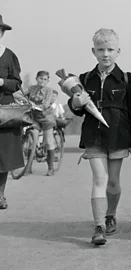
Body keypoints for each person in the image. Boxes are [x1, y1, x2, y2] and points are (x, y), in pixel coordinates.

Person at [68, 28, 131, 246]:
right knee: (99, 179)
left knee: (113, 181)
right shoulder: (84, 79)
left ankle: (111, 213)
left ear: (118, 51)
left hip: (119, 135)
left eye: (110, 49)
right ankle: (99, 225)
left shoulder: (127, 79)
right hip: (94, 136)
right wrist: (75, 103)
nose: (106, 54)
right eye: (101, 50)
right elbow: (77, 108)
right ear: (94, 51)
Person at [0, 14, 23, 209]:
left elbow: (17, 83)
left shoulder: (9, 56)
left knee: (3, 154)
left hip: (4, 112)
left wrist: (2, 82)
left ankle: (0, 195)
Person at [26, 71, 57, 176]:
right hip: (34, 117)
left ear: (48, 81)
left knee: (49, 141)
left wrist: (35, 105)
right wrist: (25, 101)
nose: (42, 81)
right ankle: (28, 167)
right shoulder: (31, 88)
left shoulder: (49, 90)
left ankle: (51, 167)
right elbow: (20, 94)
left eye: (45, 79)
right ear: (36, 78)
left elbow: (47, 103)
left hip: (46, 117)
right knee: (31, 141)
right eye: (40, 79)